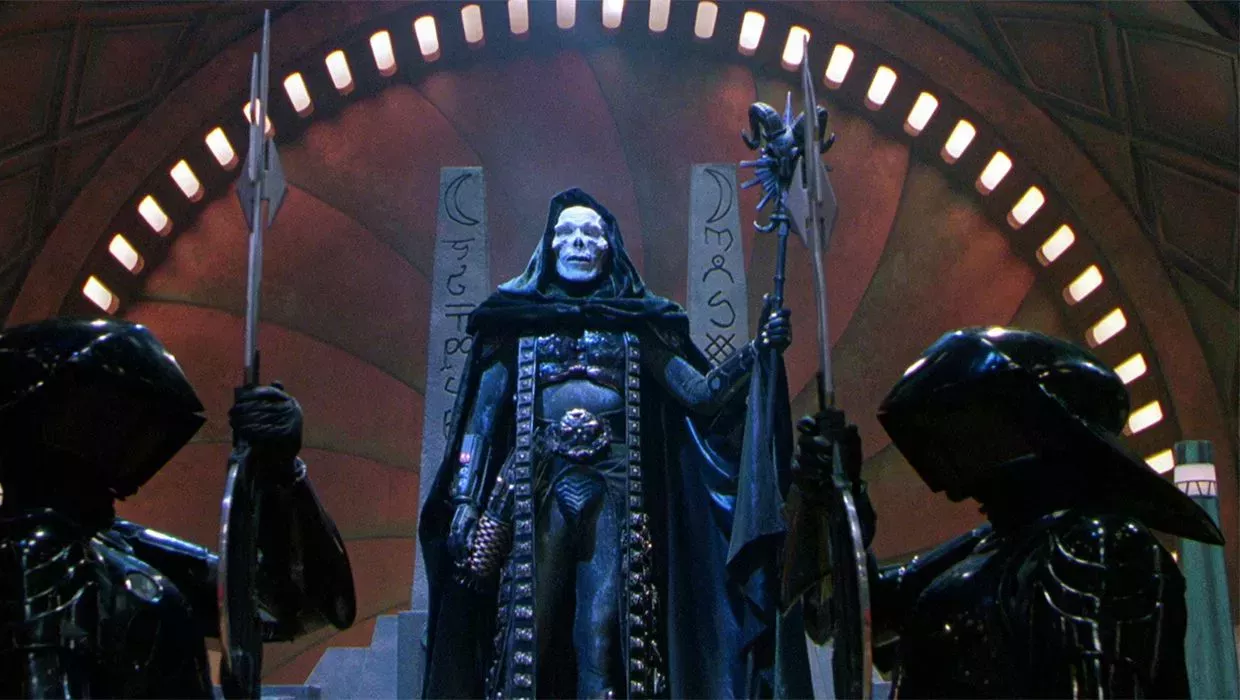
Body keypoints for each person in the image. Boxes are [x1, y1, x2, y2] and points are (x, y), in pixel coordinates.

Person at [0, 318, 356, 698]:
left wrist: (283, 476)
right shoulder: (27, 554)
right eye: (116, 417)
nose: (132, 436)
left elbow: (298, 607)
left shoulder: (112, 546)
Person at [419, 188, 789, 699]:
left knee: (601, 636)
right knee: (529, 633)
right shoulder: (517, 323)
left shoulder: (637, 326)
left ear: (609, 246)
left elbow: (701, 395)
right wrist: (464, 498)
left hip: (614, 491)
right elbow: (480, 422)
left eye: (591, 233)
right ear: (549, 245)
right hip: (535, 491)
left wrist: (757, 353)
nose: (578, 242)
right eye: (567, 232)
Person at [792, 327, 1224, 698]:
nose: (947, 444)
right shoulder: (991, 545)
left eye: (964, 420)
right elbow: (860, 613)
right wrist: (836, 498)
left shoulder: (1099, 545)